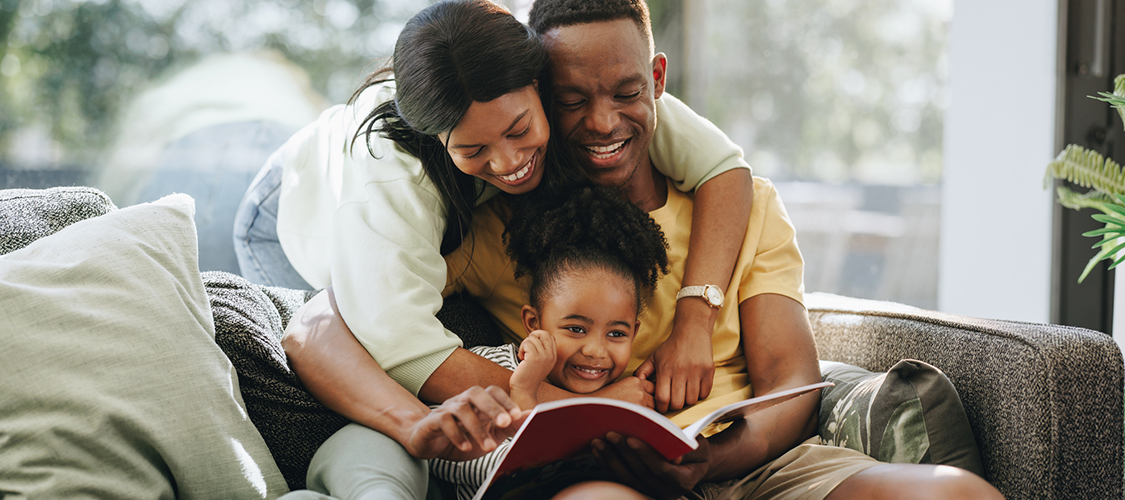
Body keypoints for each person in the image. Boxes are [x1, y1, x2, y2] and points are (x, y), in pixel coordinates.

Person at [253, 0, 754, 496]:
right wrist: (577, 412)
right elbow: (403, 348)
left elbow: (724, 170)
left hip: (454, 235)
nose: (512, 161)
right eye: (474, 150)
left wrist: (694, 320)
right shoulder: (390, 182)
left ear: (542, 84)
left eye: (520, 130)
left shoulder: (578, 91)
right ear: (439, 139)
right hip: (293, 212)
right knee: (344, 367)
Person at [431, 185, 669, 500]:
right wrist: (525, 394)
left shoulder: (628, 402)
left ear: (634, 333)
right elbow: (439, 454)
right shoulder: (494, 366)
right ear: (533, 323)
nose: (596, 351)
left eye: (616, 334)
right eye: (576, 329)